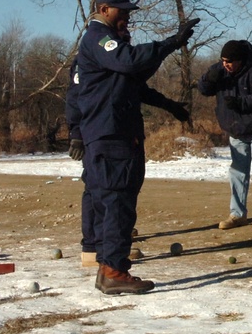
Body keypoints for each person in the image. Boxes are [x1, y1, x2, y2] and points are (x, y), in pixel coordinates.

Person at [76, 0, 197, 295]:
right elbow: (130, 62)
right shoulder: (99, 39)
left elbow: (134, 82)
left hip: (114, 134)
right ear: (104, 10)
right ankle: (115, 270)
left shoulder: (108, 45)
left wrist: (171, 105)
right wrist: (172, 42)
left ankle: (108, 268)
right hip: (111, 135)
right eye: (122, 10)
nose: (127, 16)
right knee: (118, 202)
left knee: (115, 202)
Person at [66, 28, 190, 269]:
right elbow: (75, 96)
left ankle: (102, 253)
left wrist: (170, 105)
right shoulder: (94, 57)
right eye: (123, 34)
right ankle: (97, 252)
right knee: (104, 192)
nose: (127, 38)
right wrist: (76, 133)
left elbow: (138, 88)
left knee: (103, 191)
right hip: (100, 134)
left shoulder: (115, 65)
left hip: (105, 133)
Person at [198, 39, 252, 230]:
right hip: (235, 130)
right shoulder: (220, 70)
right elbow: (203, 89)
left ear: (240, 60)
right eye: (223, 60)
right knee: (237, 173)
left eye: (230, 61)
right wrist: (209, 78)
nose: (226, 64)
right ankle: (237, 214)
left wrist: (241, 103)